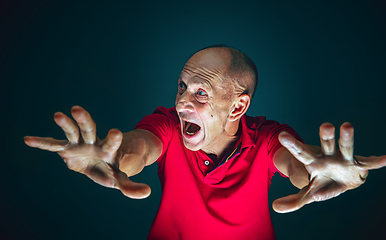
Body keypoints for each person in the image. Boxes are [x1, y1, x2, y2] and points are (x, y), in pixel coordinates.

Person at [24, 45, 386, 240]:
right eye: (182, 86)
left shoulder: (267, 137)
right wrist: (110, 159)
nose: (182, 102)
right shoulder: (168, 123)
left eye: (201, 92)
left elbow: (298, 167)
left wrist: (330, 175)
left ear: (238, 106)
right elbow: (137, 150)